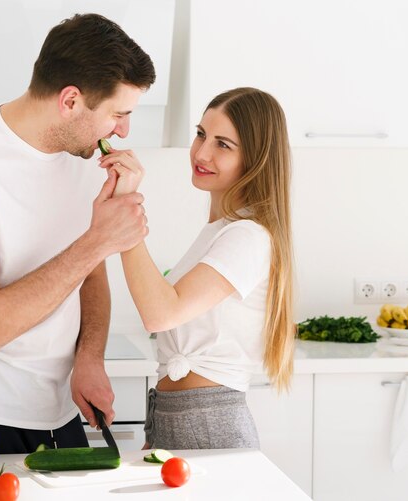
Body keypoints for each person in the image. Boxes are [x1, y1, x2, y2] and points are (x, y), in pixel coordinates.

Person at [0, 13, 155, 454]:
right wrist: (99, 238)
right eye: (118, 113)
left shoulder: (81, 160)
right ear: (71, 100)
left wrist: (89, 357)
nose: (123, 131)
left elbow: (90, 276)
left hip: (56, 410)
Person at [109, 87, 295, 449]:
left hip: (209, 424)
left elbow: (160, 314)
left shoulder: (248, 237)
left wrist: (125, 208)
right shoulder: (219, 231)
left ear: (256, 158)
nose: (202, 152)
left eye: (223, 144)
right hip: (176, 415)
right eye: (200, 134)